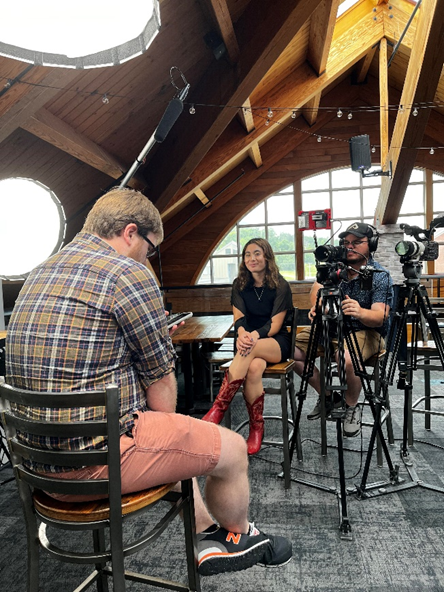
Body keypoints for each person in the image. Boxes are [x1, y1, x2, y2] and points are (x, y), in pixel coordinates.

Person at [5, 188, 292, 577]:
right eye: (151, 248)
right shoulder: (128, 272)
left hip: (32, 464)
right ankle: (238, 535)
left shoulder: (40, 270)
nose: (148, 258)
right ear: (130, 232)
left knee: (174, 440)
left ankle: (206, 531)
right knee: (232, 448)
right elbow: (161, 399)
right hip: (91, 467)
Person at [293, 222, 393, 438]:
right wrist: (317, 306)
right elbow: (316, 290)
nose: (351, 247)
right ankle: (328, 396)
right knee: (289, 351)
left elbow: (379, 317)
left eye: (357, 242)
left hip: (366, 331)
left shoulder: (379, 275)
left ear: (371, 244)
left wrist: (359, 311)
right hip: (329, 328)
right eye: (346, 243)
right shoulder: (334, 268)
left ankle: (351, 406)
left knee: (346, 359)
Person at [202, 238, 293, 455]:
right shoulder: (240, 285)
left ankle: (218, 409)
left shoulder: (281, 285)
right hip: (247, 343)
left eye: (257, 253)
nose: (252, 259)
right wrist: (242, 334)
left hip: (274, 342)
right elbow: (239, 319)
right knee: (253, 369)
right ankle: (256, 427)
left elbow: (275, 324)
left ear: (267, 256)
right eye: (247, 254)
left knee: (248, 349)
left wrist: (252, 336)